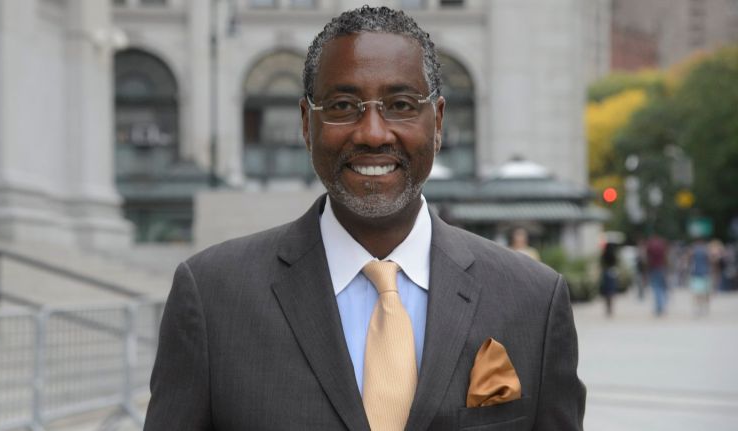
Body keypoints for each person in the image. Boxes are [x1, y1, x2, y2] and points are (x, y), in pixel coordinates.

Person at [144, 6, 585, 431]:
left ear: (438, 121)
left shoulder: (535, 302)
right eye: (341, 106)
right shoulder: (211, 298)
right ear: (305, 123)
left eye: (401, 104)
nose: (373, 133)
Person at [646, 235, 668, 316]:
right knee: (662, 288)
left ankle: (659, 307)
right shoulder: (662, 245)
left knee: (656, 288)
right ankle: (662, 306)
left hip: (654, 268)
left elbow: (648, 258)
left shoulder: (650, 246)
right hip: (661, 268)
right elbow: (665, 257)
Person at [688, 238, 711, 317]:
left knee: (697, 292)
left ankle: (698, 308)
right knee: (705, 292)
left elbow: (690, 261)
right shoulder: (705, 251)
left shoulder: (693, 251)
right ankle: (704, 307)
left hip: (696, 273)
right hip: (705, 273)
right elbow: (709, 261)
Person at [599, 242, 618, 317]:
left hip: (606, 272)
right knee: (611, 291)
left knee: (606, 291)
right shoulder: (613, 254)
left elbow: (601, 263)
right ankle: (611, 307)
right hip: (612, 272)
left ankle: (607, 307)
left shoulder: (604, 254)